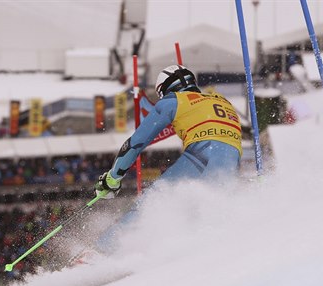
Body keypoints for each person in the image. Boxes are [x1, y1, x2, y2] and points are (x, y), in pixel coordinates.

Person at [92, 64, 242, 251]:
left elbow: (135, 144)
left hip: (202, 153)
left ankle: (102, 252)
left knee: (152, 203)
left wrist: (113, 178)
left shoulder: (172, 102)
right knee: (193, 209)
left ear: (165, 89)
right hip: (231, 163)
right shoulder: (222, 101)